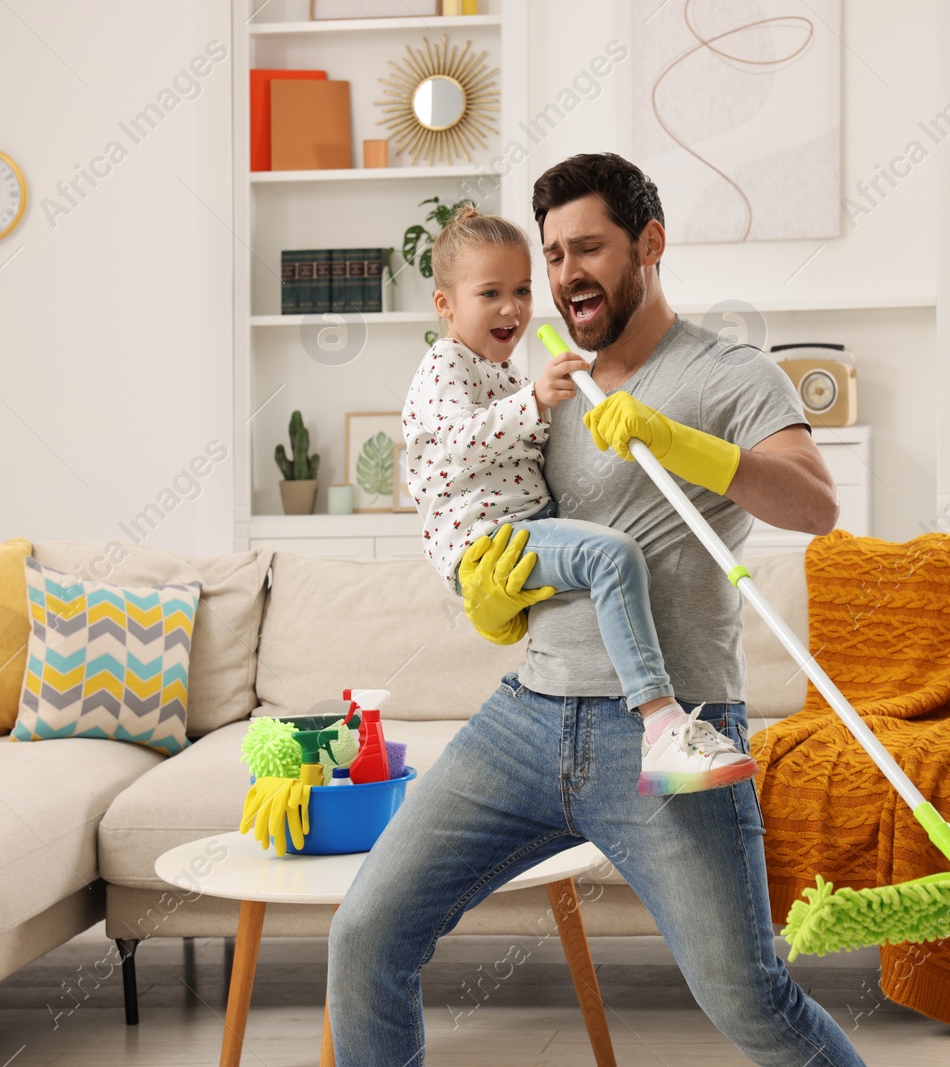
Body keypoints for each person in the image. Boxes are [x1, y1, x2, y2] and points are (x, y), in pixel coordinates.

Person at [329, 153, 863, 1067]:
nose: (568, 273)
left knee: (751, 1000)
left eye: (588, 247)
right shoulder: (544, 383)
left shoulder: (732, 373)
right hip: (528, 717)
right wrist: (494, 596)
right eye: (554, 254)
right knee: (365, 935)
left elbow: (815, 505)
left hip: (671, 730)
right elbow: (481, 500)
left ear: (649, 244)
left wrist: (676, 440)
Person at [400, 203, 757, 796]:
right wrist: (534, 403)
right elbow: (451, 447)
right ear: (446, 306)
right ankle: (663, 725)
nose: (511, 308)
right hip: (488, 541)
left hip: (524, 529)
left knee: (608, 562)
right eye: (489, 293)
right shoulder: (445, 365)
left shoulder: (504, 370)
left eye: (520, 289)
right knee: (612, 556)